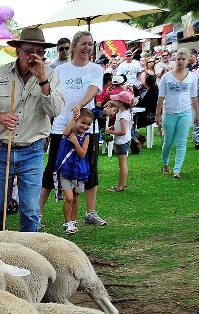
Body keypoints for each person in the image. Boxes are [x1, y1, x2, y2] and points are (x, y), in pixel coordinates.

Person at [0, 27, 64, 232]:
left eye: (39, 52)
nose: (34, 56)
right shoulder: (0, 73)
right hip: (1, 149)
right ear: (18, 52)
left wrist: (43, 80)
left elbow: (56, 109)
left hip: (32, 150)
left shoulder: (50, 76)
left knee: (30, 209)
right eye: (29, 51)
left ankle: (28, 257)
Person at [39, 31, 105, 229]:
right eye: (83, 44)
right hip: (62, 127)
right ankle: (38, 214)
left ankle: (90, 212)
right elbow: (50, 96)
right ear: (74, 47)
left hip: (86, 128)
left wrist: (81, 107)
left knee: (89, 169)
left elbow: (92, 90)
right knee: (52, 169)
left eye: (90, 44)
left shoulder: (95, 69)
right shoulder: (59, 70)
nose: (87, 48)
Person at [157, 49, 199, 178]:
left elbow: (194, 96)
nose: (180, 61)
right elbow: (161, 97)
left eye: (183, 59)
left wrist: (197, 113)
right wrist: (158, 114)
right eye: (178, 59)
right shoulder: (166, 77)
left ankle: (177, 169)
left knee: (181, 141)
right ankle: (165, 163)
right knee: (168, 141)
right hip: (169, 112)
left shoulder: (192, 76)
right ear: (174, 60)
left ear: (187, 60)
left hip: (185, 112)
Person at [54, 108, 94, 235]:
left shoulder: (86, 137)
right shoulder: (69, 132)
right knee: (69, 198)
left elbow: (82, 154)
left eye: (88, 124)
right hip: (66, 170)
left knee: (76, 198)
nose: (85, 126)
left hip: (80, 171)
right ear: (77, 121)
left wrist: (76, 143)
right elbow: (65, 132)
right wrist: (73, 118)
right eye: (83, 122)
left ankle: (73, 220)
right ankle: (67, 222)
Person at [102, 93, 133, 191]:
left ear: (121, 103)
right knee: (123, 164)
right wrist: (114, 128)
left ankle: (120, 186)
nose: (114, 102)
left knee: (122, 164)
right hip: (124, 140)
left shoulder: (122, 116)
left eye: (116, 101)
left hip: (122, 141)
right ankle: (121, 184)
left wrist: (111, 132)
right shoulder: (126, 112)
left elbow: (123, 131)